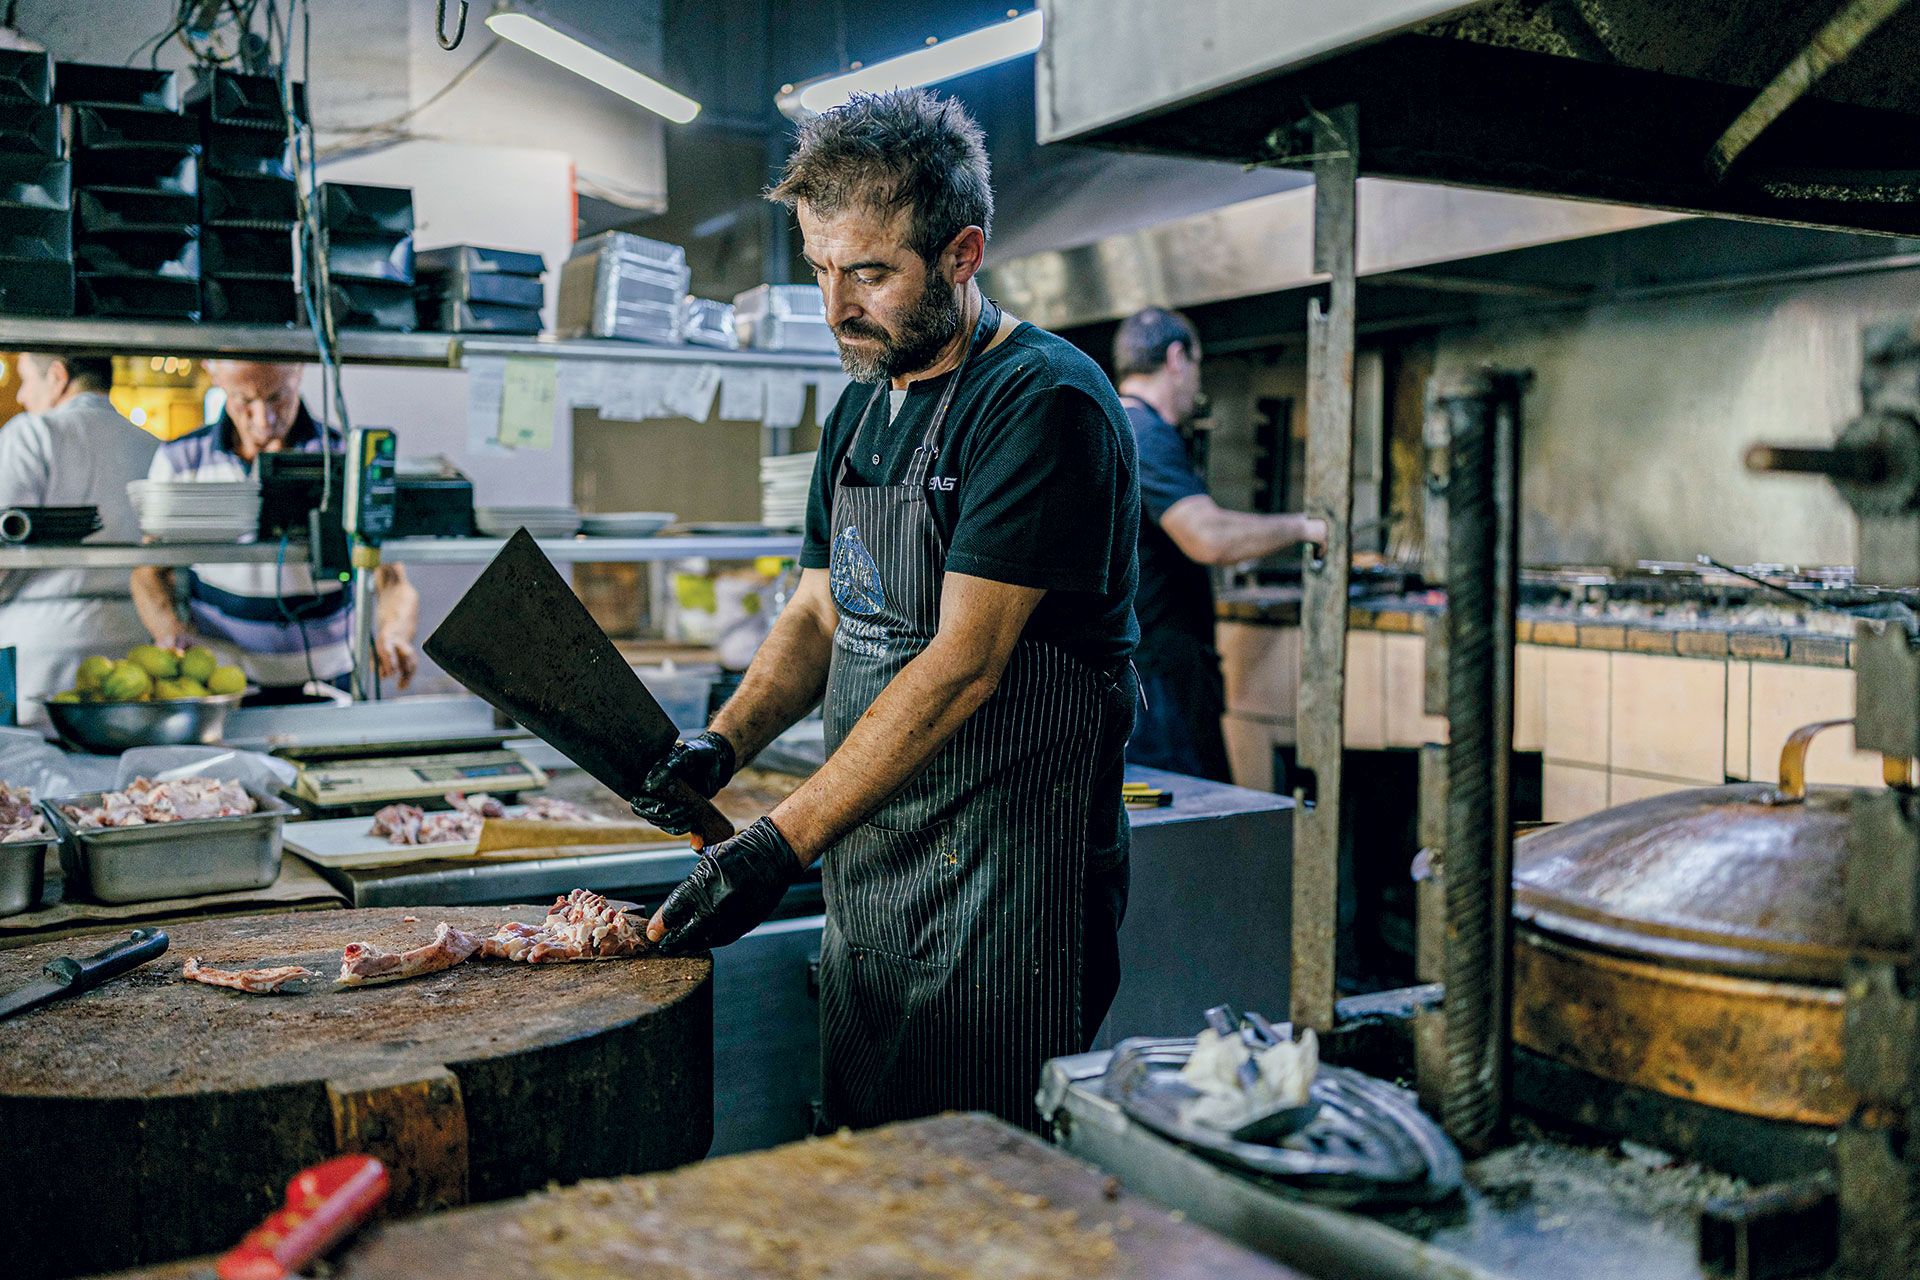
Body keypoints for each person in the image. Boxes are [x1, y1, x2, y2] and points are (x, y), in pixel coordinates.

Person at [633, 89, 1141, 1132]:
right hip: (877, 867)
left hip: (1007, 889)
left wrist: (776, 846)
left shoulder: (1042, 403)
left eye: (868, 272)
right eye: (821, 269)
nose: (835, 307)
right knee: (867, 1163)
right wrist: (722, 741)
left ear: (962, 254)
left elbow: (963, 660)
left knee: (977, 1182)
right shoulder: (869, 394)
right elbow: (820, 612)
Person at [1114, 307, 1325, 783]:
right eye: (1198, 365)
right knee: (1189, 839)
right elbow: (1206, 536)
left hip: (1140, 678)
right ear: (1176, 358)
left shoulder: (1114, 424)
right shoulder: (1145, 433)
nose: (1196, 384)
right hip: (1159, 685)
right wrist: (1305, 527)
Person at [129, 360, 418, 700]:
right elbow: (148, 573)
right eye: (243, 400)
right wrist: (170, 633)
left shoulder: (345, 457)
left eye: (278, 397)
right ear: (213, 374)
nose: (263, 419)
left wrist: (393, 633)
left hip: (332, 681)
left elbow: (392, 578)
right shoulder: (180, 460)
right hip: (220, 683)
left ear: (298, 372)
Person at [0, 353, 158, 721]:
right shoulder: (154, 446)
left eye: (26, 379)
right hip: (138, 654)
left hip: (39, 659)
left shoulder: (31, 433)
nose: (22, 395)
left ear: (57, 377)